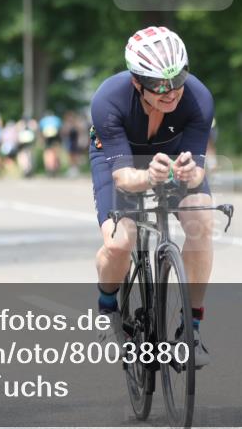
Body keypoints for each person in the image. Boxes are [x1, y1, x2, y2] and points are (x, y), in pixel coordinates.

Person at [90, 26, 215, 367]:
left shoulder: (198, 98)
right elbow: (124, 177)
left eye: (178, 80)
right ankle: (107, 306)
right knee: (118, 243)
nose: (171, 92)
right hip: (120, 161)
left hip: (172, 159)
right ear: (136, 82)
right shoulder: (108, 100)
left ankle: (192, 329)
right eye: (159, 85)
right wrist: (148, 176)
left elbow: (200, 169)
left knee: (202, 223)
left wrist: (190, 173)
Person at [39, 110, 63, 176]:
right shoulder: (57, 119)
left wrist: (41, 141)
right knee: (56, 152)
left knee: (47, 153)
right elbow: (60, 130)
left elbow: (41, 131)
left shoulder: (43, 120)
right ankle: (55, 166)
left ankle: (49, 168)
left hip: (47, 138)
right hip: (56, 138)